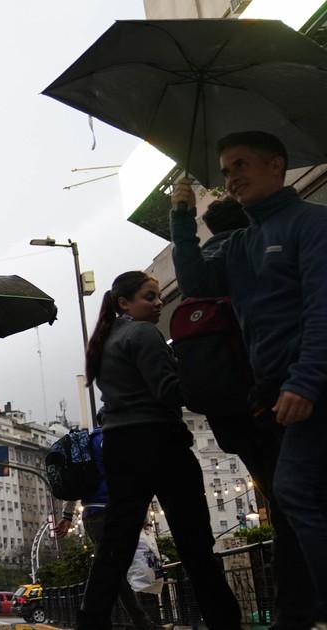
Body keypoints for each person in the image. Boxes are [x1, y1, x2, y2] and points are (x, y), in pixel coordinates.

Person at [171, 130, 326, 628]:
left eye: (242, 164)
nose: (233, 177)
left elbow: (323, 308)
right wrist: (180, 214)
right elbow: (195, 282)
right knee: (297, 498)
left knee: (297, 493)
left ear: (276, 166)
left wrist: (305, 379)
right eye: (226, 169)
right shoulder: (240, 243)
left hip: (310, 389)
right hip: (277, 398)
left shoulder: (311, 225)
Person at [75, 271, 240, 630]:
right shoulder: (144, 333)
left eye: (158, 297)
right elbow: (167, 391)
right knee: (195, 542)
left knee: (115, 546)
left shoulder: (106, 340)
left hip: (119, 444)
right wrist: (200, 381)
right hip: (160, 440)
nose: (158, 303)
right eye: (149, 297)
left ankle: (90, 621)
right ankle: (224, 621)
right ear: (124, 303)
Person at [55, 411, 157, 630]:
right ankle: (135, 622)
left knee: (108, 567)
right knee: (111, 569)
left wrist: (67, 516)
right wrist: (142, 514)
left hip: (91, 514)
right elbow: (131, 478)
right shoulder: (113, 440)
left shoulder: (86, 445)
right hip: (110, 511)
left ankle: (103, 619)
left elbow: (76, 479)